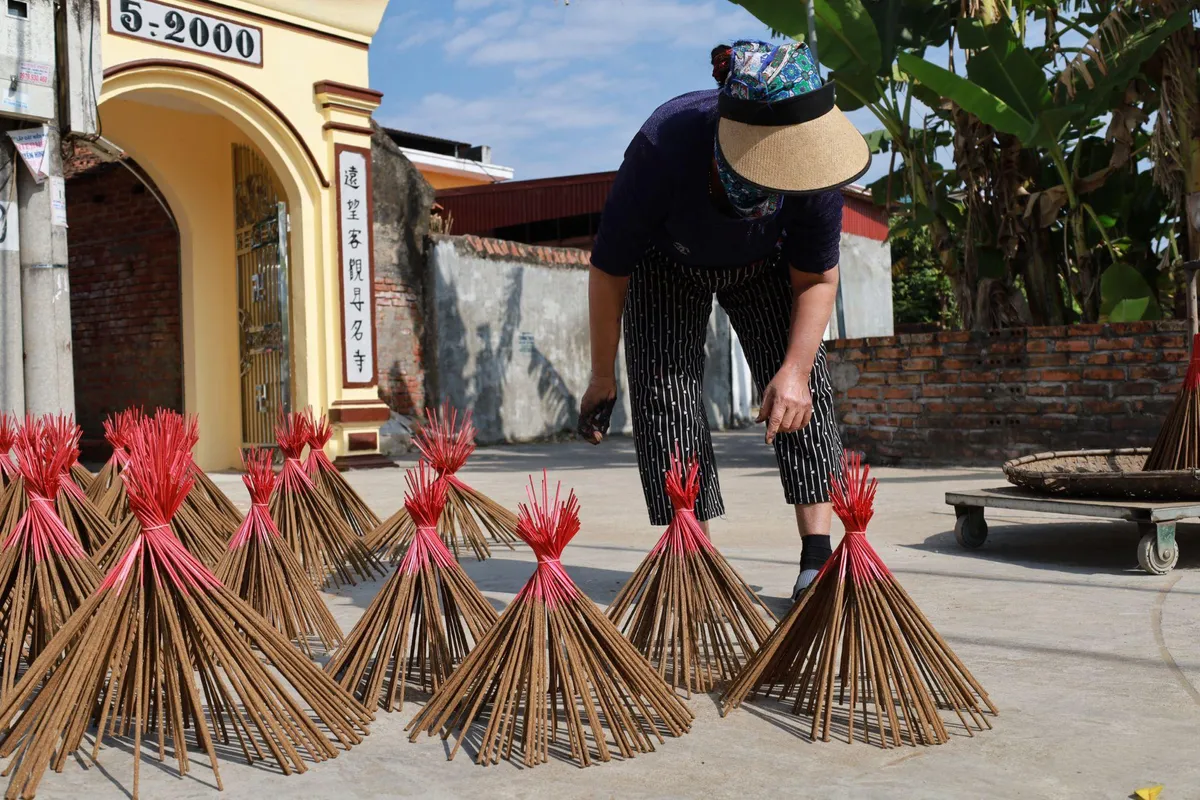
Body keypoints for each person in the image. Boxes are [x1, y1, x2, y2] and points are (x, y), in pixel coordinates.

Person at [576, 39, 870, 600]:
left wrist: (794, 370)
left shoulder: (815, 171)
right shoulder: (664, 146)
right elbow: (609, 270)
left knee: (800, 394)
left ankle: (817, 555)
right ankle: (697, 558)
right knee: (667, 399)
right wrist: (601, 375)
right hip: (667, 264)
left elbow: (817, 278)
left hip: (767, 267)